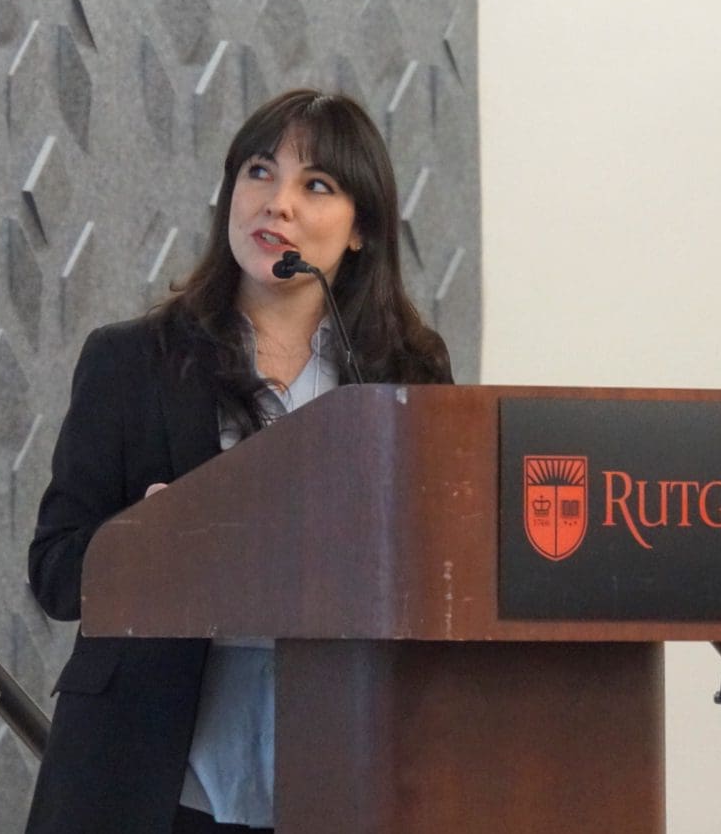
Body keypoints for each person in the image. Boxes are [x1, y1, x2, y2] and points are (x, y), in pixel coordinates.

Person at [24, 89, 452, 834]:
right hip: (150, 765)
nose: (276, 202)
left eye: (316, 184)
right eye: (259, 171)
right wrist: (139, 541)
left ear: (361, 230)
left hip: (349, 751)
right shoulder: (132, 360)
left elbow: (438, 561)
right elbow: (54, 572)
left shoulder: (406, 372)